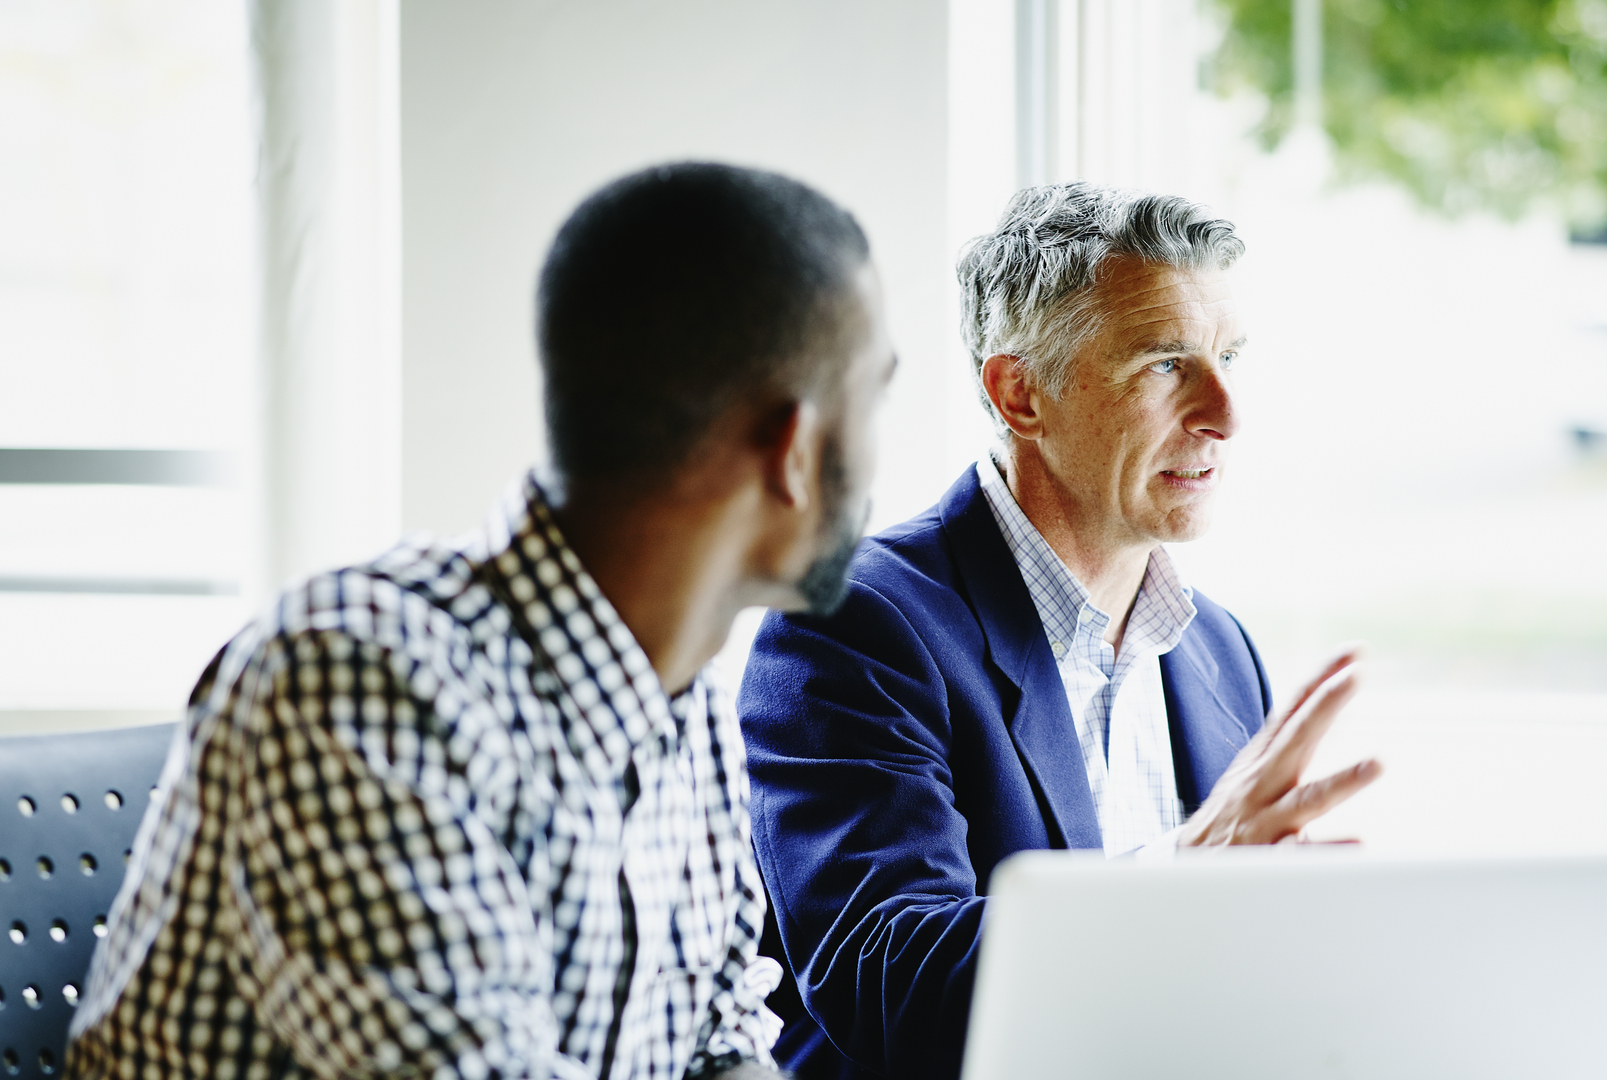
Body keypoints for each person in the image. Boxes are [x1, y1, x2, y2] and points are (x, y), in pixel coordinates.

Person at [65, 162, 896, 1080]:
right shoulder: (358, 683)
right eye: (876, 398)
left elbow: (722, 1041)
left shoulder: (686, 699)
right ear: (794, 450)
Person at [737, 183, 1383, 1079]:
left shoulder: (1219, 653)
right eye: (1165, 364)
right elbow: (893, 989)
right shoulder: (856, 625)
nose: (1226, 414)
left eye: (1229, 356)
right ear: (1021, 393)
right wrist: (1181, 877)